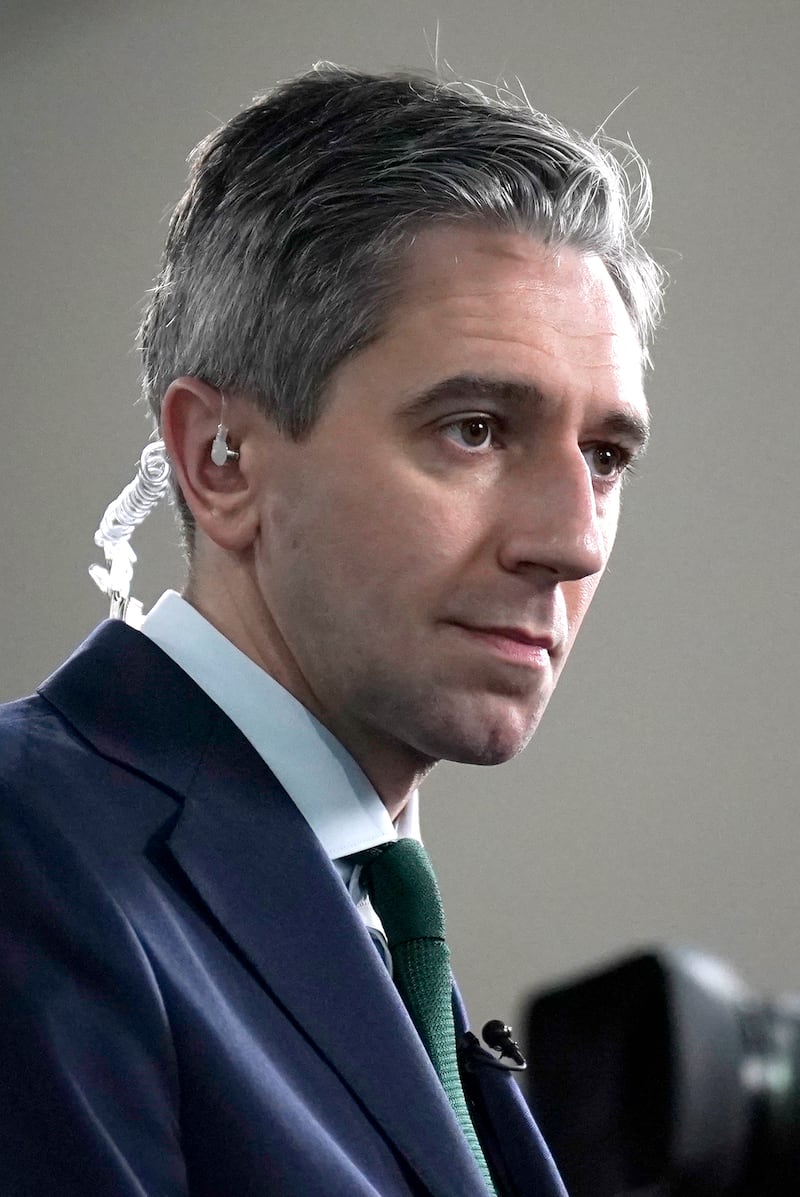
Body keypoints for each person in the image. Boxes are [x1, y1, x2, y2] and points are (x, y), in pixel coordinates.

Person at [0, 64, 664, 1196]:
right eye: (472, 429)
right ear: (221, 461)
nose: (572, 539)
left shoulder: (362, 910)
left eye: (603, 456)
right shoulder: (24, 858)